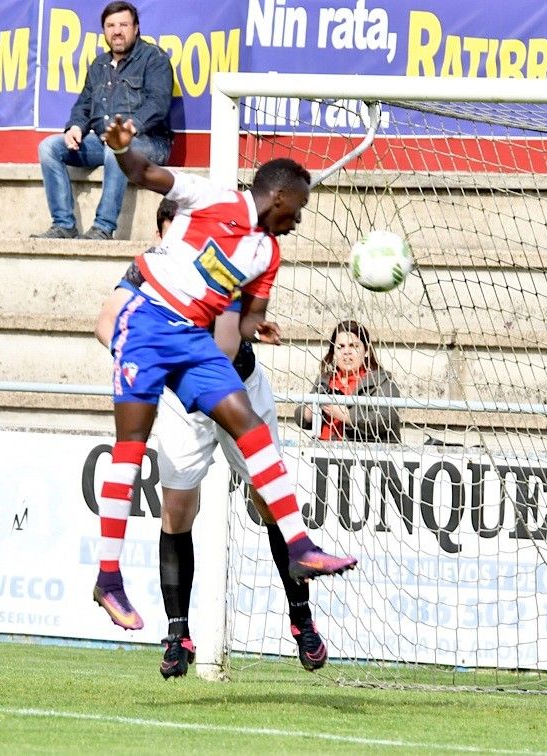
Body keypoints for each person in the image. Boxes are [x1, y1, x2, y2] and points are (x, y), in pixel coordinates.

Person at [90, 114, 357, 635]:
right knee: (130, 448)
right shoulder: (211, 198)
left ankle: (300, 546)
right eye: (298, 210)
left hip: (193, 339)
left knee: (249, 424)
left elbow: (251, 314)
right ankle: (108, 577)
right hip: (146, 322)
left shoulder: (268, 252)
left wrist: (259, 329)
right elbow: (146, 173)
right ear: (279, 197)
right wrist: (122, 149)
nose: (299, 221)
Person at [95, 200, 329, 679]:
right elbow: (105, 326)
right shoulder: (147, 271)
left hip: (236, 388)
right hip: (185, 406)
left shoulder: (222, 265)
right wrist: (142, 351)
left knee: (269, 502)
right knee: (177, 509)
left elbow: (223, 346)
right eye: (167, 231)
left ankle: (300, 616)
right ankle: (177, 632)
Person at [32, 2, 173, 241]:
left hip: (150, 143)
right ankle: (64, 224)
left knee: (116, 147)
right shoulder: (98, 65)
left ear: (136, 28)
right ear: (104, 31)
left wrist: (132, 126)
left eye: (123, 25)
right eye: (111, 26)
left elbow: (158, 103)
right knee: (49, 147)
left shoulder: (154, 58)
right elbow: (84, 105)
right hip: (103, 141)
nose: (117, 31)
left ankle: (103, 228)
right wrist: (75, 126)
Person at [295, 320, 402, 442]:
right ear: (333, 351)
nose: (346, 352)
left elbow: (386, 419)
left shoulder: (382, 380)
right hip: (323, 452)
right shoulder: (325, 379)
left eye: (354, 346)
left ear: (366, 351)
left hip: (366, 455)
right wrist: (309, 412)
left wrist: (346, 416)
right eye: (341, 347)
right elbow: (301, 418)